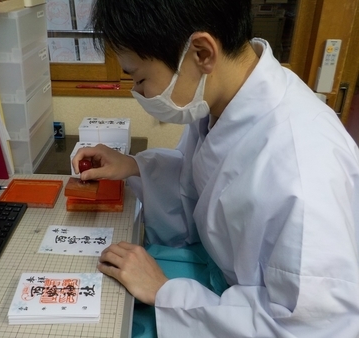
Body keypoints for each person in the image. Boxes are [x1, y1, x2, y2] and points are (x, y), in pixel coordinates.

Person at [71, 0, 359, 337]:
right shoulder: (227, 99)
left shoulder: (301, 168)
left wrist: (166, 293)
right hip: (220, 278)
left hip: (246, 316)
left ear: (202, 52)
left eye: (140, 77)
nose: (139, 92)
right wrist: (133, 166)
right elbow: (204, 179)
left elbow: (312, 326)